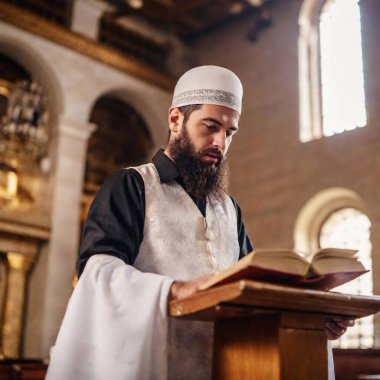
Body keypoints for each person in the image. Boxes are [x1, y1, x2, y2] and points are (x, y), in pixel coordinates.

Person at [46, 65, 353, 380]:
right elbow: (98, 271)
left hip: (229, 367)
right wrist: (174, 290)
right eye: (210, 126)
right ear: (176, 119)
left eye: (229, 132)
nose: (220, 142)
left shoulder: (229, 210)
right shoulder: (131, 185)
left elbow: (251, 289)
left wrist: (309, 310)